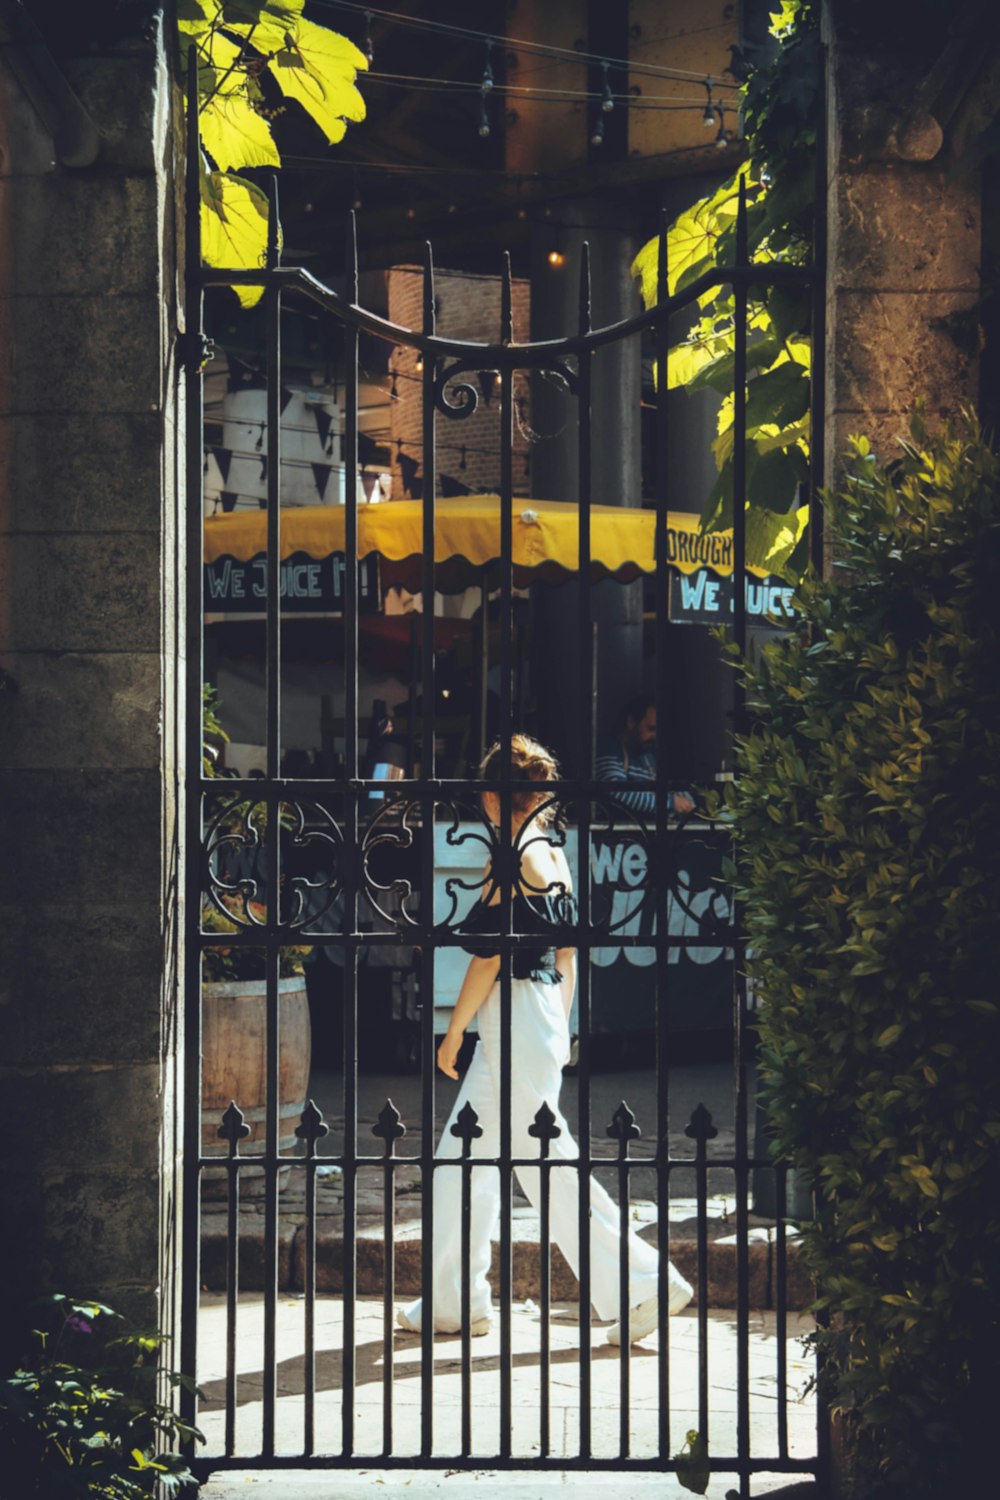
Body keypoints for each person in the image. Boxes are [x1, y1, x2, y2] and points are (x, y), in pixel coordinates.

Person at [396, 734, 692, 1344]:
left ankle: (641, 1283)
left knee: (547, 1166)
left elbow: (488, 960)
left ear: (490, 793)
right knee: (462, 1163)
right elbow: (566, 954)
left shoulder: (513, 856)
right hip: (535, 1016)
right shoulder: (551, 853)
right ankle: (455, 1301)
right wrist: (558, 1026)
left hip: (511, 1019)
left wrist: (453, 1035)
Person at [595, 696, 695, 818]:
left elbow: (667, 789)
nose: (655, 736)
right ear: (631, 722)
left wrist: (686, 802)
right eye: (651, 728)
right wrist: (670, 802)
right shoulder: (610, 748)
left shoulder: (648, 757)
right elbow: (615, 790)